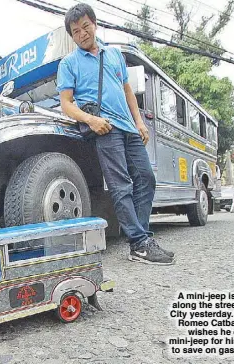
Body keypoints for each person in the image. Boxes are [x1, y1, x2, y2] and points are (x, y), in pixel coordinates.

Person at [57, 4, 174, 265]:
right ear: (72, 36)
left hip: (129, 128)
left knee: (146, 178)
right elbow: (66, 103)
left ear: (95, 25)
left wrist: (140, 122)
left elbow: (127, 91)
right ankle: (140, 243)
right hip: (105, 129)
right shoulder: (69, 63)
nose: (82, 34)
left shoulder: (114, 55)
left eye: (86, 27)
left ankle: (140, 240)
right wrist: (91, 120)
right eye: (76, 32)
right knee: (121, 185)